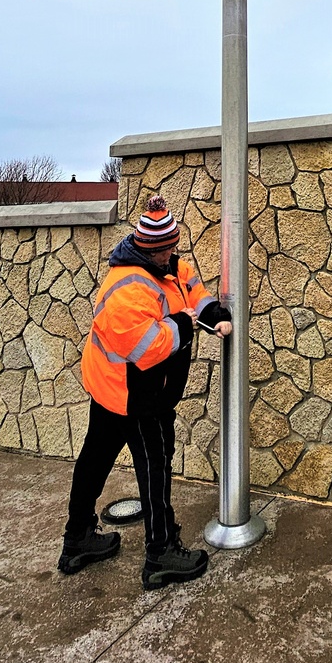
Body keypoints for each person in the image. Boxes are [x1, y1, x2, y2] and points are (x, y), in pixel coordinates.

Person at [58, 194, 231, 590]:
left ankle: (78, 538)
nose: (174, 253)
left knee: (96, 459)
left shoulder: (164, 264)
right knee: (154, 466)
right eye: (168, 248)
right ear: (149, 248)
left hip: (117, 386)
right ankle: (160, 552)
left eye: (175, 245)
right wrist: (185, 325)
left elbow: (191, 286)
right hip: (133, 394)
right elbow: (147, 348)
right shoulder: (127, 288)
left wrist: (211, 313)